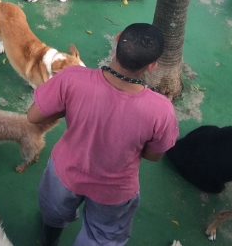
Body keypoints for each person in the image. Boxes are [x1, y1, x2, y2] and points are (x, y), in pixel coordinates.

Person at [26, 23, 179, 246]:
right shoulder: (162, 109)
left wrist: (67, 107)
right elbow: (153, 156)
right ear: (152, 66)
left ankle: (48, 240)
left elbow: (33, 116)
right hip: (115, 191)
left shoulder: (72, 78)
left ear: (117, 39)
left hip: (66, 173)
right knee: (102, 237)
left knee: (53, 214)